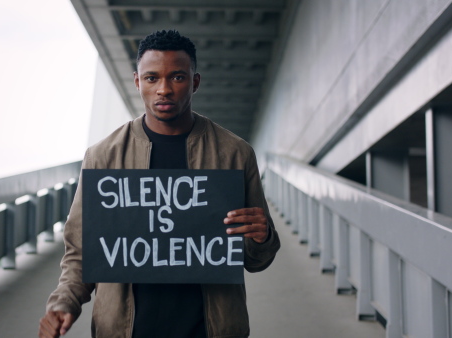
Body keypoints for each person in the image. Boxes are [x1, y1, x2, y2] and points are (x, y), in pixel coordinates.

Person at [39, 30, 280, 338]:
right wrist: (64, 303)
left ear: (195, 82)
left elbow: (254, 259)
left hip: (211, 329)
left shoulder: (235, 154)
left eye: (177, 78)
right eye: (152, 78)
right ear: (138, 82)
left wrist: (261, 238)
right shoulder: (103, 156)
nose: (164, 89)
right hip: (125, 330)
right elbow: (82, 250)